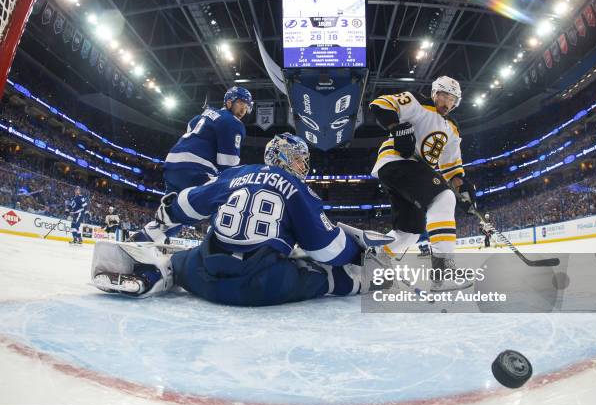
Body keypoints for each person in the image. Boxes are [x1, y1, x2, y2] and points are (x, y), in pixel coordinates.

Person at [90, 133, 391, 305]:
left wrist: (163, 217)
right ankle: (369, 282)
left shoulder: (236, 174)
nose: (303, 165)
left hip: (205, 279)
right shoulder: (298, 188)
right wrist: (359, 251)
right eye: (298, 158)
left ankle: (154, 274)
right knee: (321, 273)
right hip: (261, 285)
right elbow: (329, 250)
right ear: (283, 157)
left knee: (182, 261)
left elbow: (185, 204)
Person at [368, 76, 477, 283]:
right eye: (444, 96)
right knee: (443, 197)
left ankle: (375, 258)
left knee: (410, 231)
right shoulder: (417, 102)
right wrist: (396, 128)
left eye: (453, 100)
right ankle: (443, 266)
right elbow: (380, 104)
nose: (448, 103)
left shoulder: (453, 128)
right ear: (435, 92)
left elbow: (451, 168)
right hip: (397, 162)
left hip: (412, 172)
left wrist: (462, 190)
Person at [132, 86, 254, 242]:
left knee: (178, 207)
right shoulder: (233, 123)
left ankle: (147, 237)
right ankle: (222, 244)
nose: (244, 110)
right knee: (219, 200)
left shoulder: (203, 115)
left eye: (247, 107)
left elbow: (191, 126)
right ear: (229, 102)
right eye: (241, 104)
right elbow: (228, 163)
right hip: (195, 167)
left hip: (172, 164)